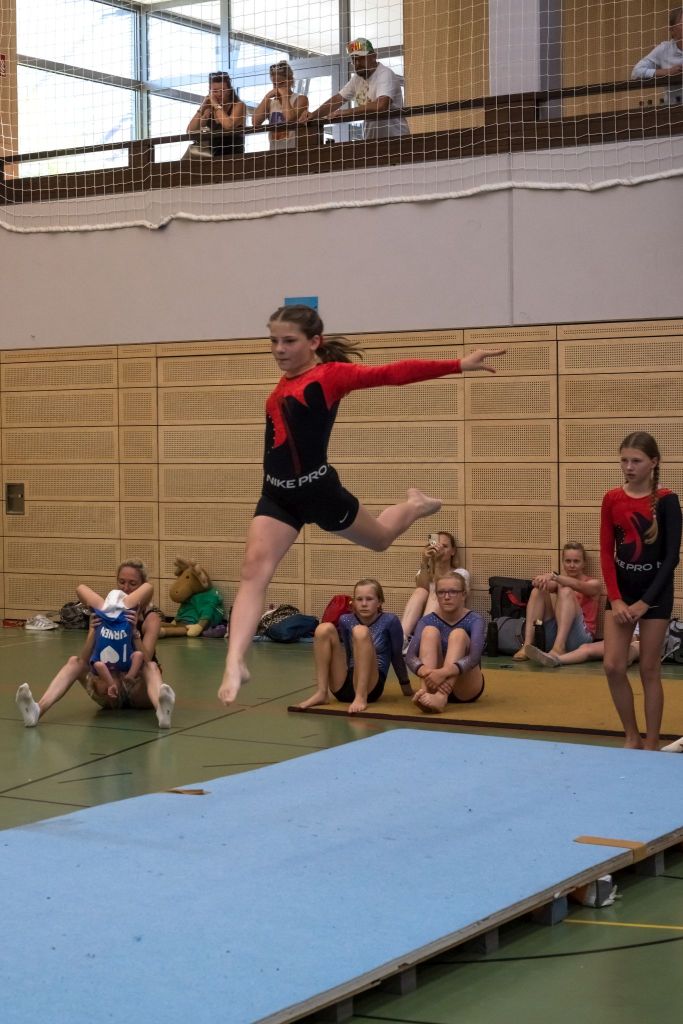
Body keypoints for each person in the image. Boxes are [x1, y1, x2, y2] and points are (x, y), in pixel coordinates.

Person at [217, 304, 504, 705]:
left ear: (314, 342)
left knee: (382, 538)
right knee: (253, 571)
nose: (279, 349)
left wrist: (458, 364)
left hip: (318, 491)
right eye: (274, 340)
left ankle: (414, 505)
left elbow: (394, 374)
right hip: (278, 494)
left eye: (289, 341)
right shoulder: (286, 379)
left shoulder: (331, 376)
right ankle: (235, 661)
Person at [15, 560, 175, 729]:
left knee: (151, 667)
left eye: (132, 584)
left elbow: (147, 658)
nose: (126, 588)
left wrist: (134, 632)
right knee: (74, 662)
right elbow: (85, 659)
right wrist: (94, 630)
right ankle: (37, 710)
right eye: (121, 582)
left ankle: (161, 711)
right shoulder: (106, 614)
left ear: (142, 586)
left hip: (137, 688)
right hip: (110, 687)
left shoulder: (151, 618)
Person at [600, 431, 681, 750]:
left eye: (636, 461)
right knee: (612, 665)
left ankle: (651, 741)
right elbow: (606, 551)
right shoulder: (612, 498)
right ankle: (631, 735)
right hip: (623, 592)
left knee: (649, 668)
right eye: (624, 460)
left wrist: (646, 603)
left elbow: (672, 557)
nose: (629, 467)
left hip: (655, 594)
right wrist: (616, 598)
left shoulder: (667, 501)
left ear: (653, 462)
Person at [297, 577, 412, 714]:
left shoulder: (390, 620)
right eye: (359, 599)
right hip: (345, 684)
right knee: (323, 628)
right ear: (353, 602)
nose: (364, 604)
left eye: (369, 599)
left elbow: (396, 655)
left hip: (370, 688)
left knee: (360, 631)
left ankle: (360, 696)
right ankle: (321, 692)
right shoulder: (346, 620)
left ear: (380, 602)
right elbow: (349, 654)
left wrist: (405, 685)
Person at [406, 571, 486, 713]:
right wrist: (428, 672)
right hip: (434, 682)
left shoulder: (475, 619)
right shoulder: (426, 621)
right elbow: (410, 657)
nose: (447, 597)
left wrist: (443, 673)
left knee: (458, 634)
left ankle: (441, 697)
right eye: (441, 592)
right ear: (436, 595)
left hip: (465, 687)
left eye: (453, 592)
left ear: (464, 594)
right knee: (429, 631)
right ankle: (425, 693)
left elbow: (474, 657)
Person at [513, 542, 600, 663]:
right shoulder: (559, 582)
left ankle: (559, 647)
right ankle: (527, 645)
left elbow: (578, 585)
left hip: (580, 639)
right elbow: (549, 585)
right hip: (556, 635)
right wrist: (539, 581)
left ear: (584, 563)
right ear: (563, 562)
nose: (572, 565)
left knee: (566, 590)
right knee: (538, 591)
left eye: (576, 561)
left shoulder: (594, 584)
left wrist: (554, 576)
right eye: (568, 561)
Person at [307, 38, 409, 140]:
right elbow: (337, 99)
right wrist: (313, 115)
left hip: (397, 141)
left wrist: (345, 112)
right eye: (353, 59)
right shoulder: (357, 79)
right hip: (372, 141)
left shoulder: (385, 74)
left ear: (373, 56)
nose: (357, 63)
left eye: (361, 58)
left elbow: (381, 105)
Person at [75, 581, 152, 695]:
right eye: (111, 688)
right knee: (148, 587)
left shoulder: (97, 666)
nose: (109, 687)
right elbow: (140, 657)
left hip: (104, 611)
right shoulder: (125, 666)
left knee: (80, 588)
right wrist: (130, 676)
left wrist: (93, 628)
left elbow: (91, 663)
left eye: (106, 688)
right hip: (125, 612)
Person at [400, 530, 470, 643]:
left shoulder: (461, 574)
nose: (439, 550)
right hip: (423, 622)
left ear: (453, 551)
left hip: (448, 623)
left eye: (445, 546)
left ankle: (419, 640)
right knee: (420, 591)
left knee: (437, 593)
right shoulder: (424, 572)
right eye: (436, 546)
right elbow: (421, 588)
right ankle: (402, 639)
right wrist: (424, 561)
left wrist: (437, 563)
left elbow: (441, 585)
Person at [186, 71, 247, 158]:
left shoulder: (239, 105)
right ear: (210, 92)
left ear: (229, 91)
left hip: (235, 157)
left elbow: (229, 126)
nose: (219, 94)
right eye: (215, 91)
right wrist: (202, 108)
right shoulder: (209, 109)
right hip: (213, 159)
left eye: (222, 90)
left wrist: (216, 105)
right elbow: (190, 131)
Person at [631, 7, 683, 105]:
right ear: (672, 30)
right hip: (672, 109)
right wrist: (667, 72)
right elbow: (636, 72)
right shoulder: (664, 49)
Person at [252, 61, 309, 150]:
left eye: (281, 83)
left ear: (290, 81)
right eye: (275, 84)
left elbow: (290, 119)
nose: (278, 87)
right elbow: (255, 122)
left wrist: (284, 96)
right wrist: (266, 97)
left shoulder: (300, 99)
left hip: (294, 150)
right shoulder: (270, 103)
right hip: (274, 151)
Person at [525, 638, 639, 669]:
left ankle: (626, 656)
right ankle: (555, 659)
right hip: (625, 636)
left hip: (641, 641)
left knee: (625, 654)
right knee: (586, 648)